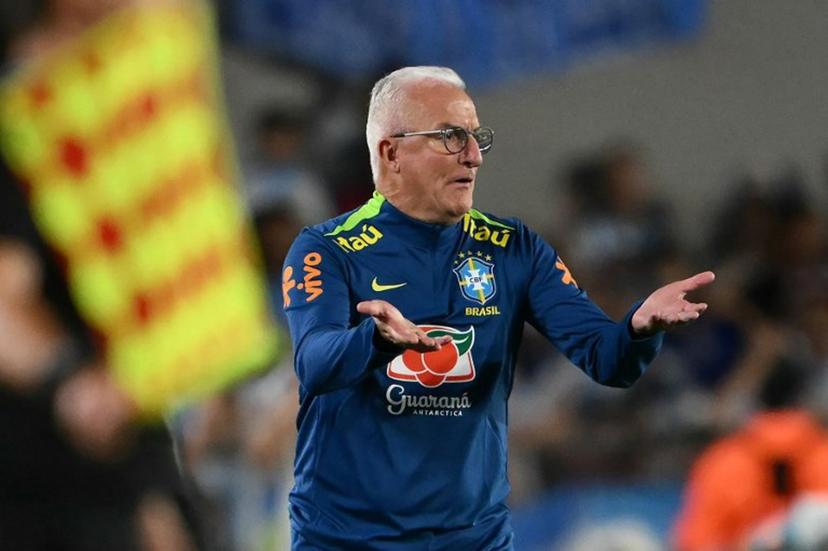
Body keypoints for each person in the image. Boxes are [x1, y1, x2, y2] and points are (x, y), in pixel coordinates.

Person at [281, 66, 714, 549]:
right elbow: (314, 364)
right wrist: (375, 339)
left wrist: (638, 328)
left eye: (475, 137)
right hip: (348, 539)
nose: (473, 155)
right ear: (391, 152)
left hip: (472, 539)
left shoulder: (513, 248)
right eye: (450, 136)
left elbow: (607, 359)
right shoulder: (327, 249)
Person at [672, 359, 828, 551]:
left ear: (755, 402)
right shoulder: (823, 455)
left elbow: (692, 544)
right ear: (809, 403)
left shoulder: (721, 461)